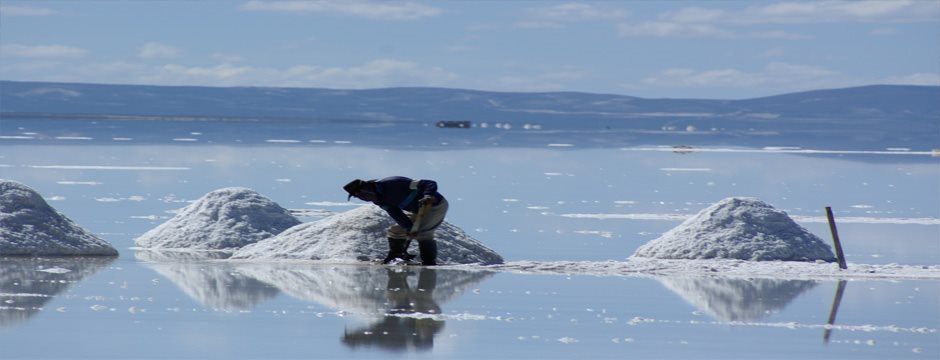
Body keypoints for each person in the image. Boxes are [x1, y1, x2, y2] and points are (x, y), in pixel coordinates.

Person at [344, 176, 448, 265]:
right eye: (356, 196)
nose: (361, 198)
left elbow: (428, 183)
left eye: (359, 193)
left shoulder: (394, 183)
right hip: (417, 211)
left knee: (423, 233)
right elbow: (396, 213)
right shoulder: (379, 200)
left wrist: (428, 195)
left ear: (367, 188)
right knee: (396, 231)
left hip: (435, 206)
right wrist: (408, 227)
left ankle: (429, 262)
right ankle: (396, 255)